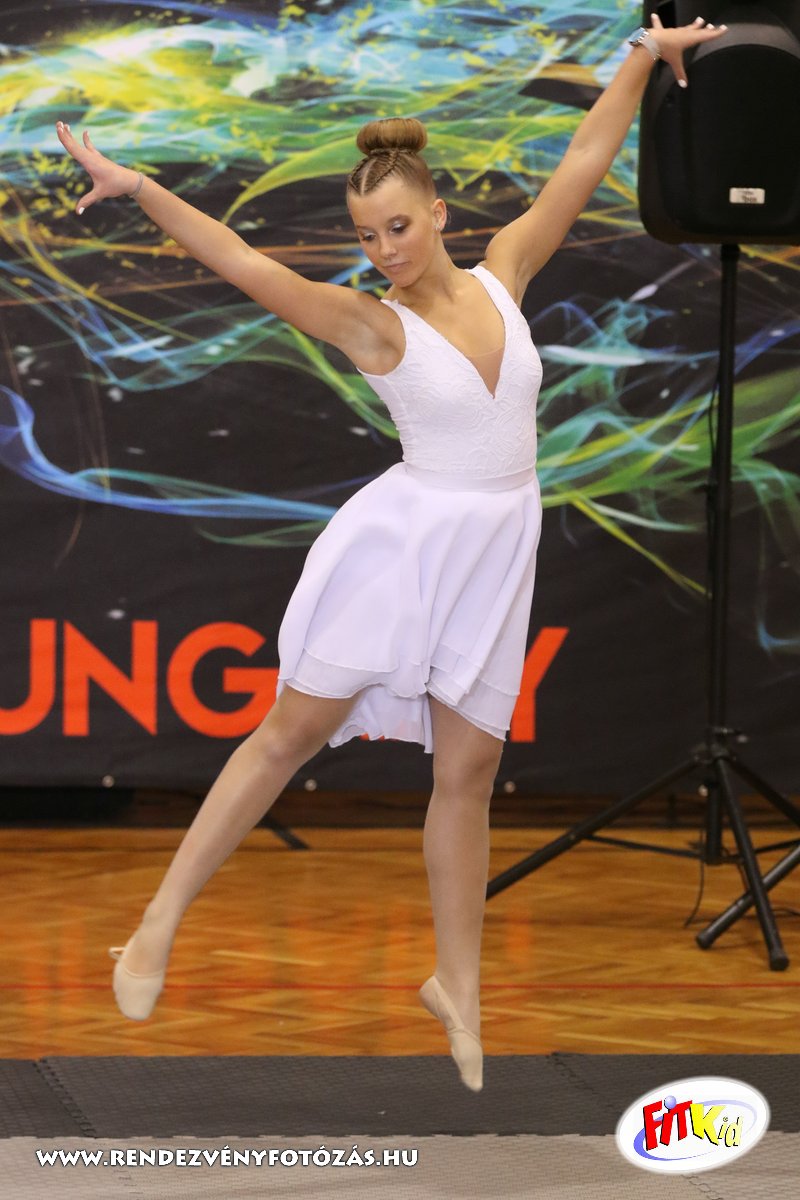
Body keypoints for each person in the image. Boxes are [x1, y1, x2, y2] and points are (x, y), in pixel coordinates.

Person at [56, 13, 726, 1092]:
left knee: (469, 773)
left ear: (438, 214)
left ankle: (457, 986)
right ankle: (156, 924)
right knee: (289, 734)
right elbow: (240, 260)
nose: (386, 251)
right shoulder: (373, 326)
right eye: (368, 237)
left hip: (494, 550)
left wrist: (641, 56)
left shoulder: (505, 273)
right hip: (406, 549)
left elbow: (584, 160)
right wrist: (138, 188)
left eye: (400, 228)